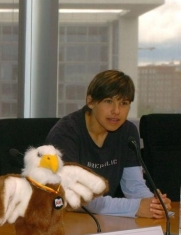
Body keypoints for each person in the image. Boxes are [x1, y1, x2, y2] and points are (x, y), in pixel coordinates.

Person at [45, 69, 171, 218]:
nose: (116, 111)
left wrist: (153, 204)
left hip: (103, 220)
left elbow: (134, 186)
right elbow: (74, 197)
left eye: (124, 103)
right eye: (108, 101)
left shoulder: (127, 132)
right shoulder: (65, 133)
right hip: (62, 220)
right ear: (90, 101)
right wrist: (135, 207)